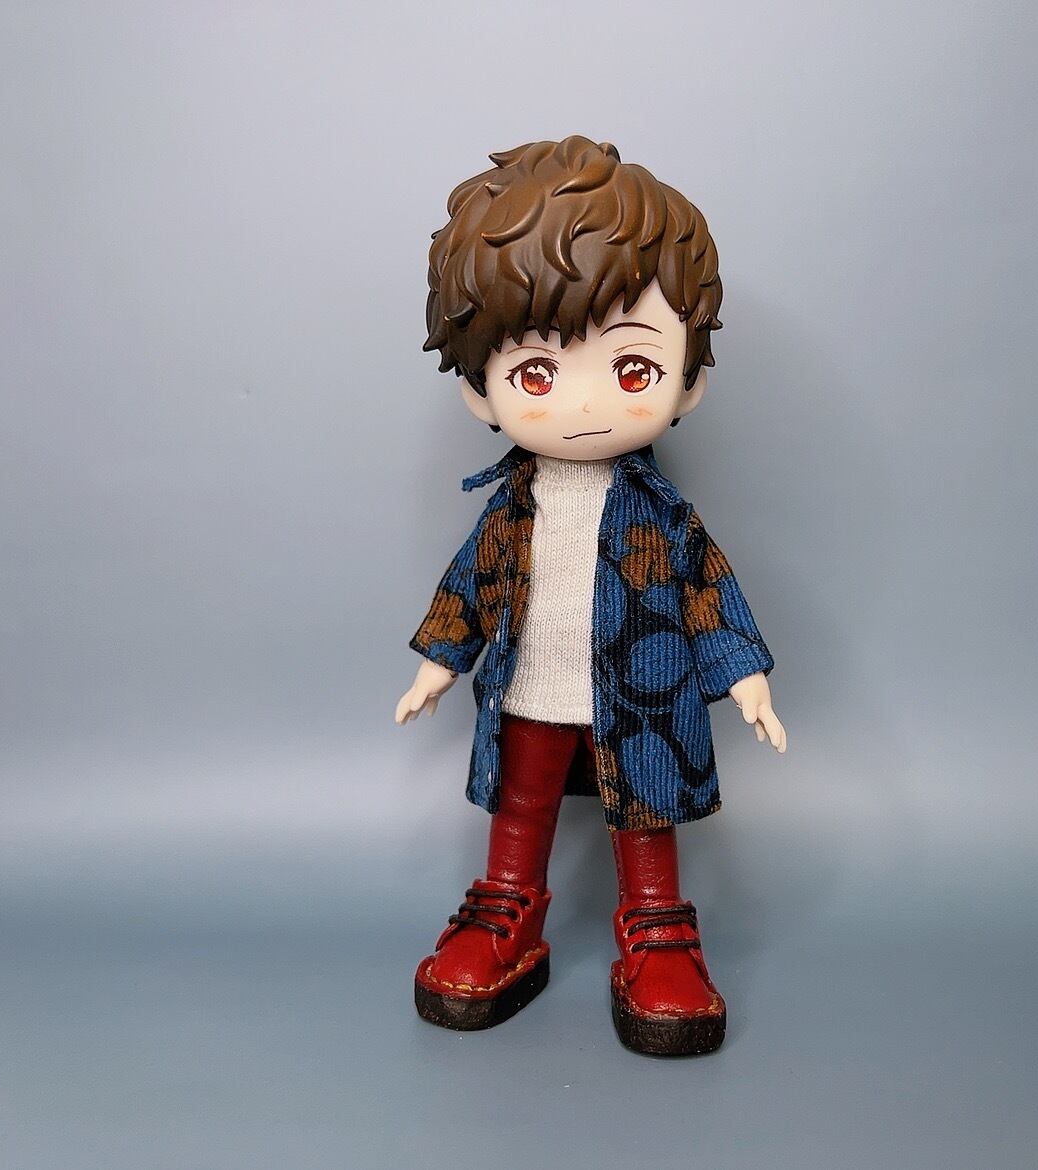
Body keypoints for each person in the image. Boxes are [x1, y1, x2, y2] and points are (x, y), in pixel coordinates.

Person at [395, 135, 786, 1056]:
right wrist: (436, 665)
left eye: (632, 369)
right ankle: (508, 908)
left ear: (688, 384)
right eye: (536, 374)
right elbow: (471, 585)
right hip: (533, 690)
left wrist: (745, 678)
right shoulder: (510, 511)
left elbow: (707, 592)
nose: (581, 404)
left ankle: (656, 925)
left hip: (642, 695)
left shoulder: (665, 517)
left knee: (645, 810)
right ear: (480, 394)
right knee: (521, 805)